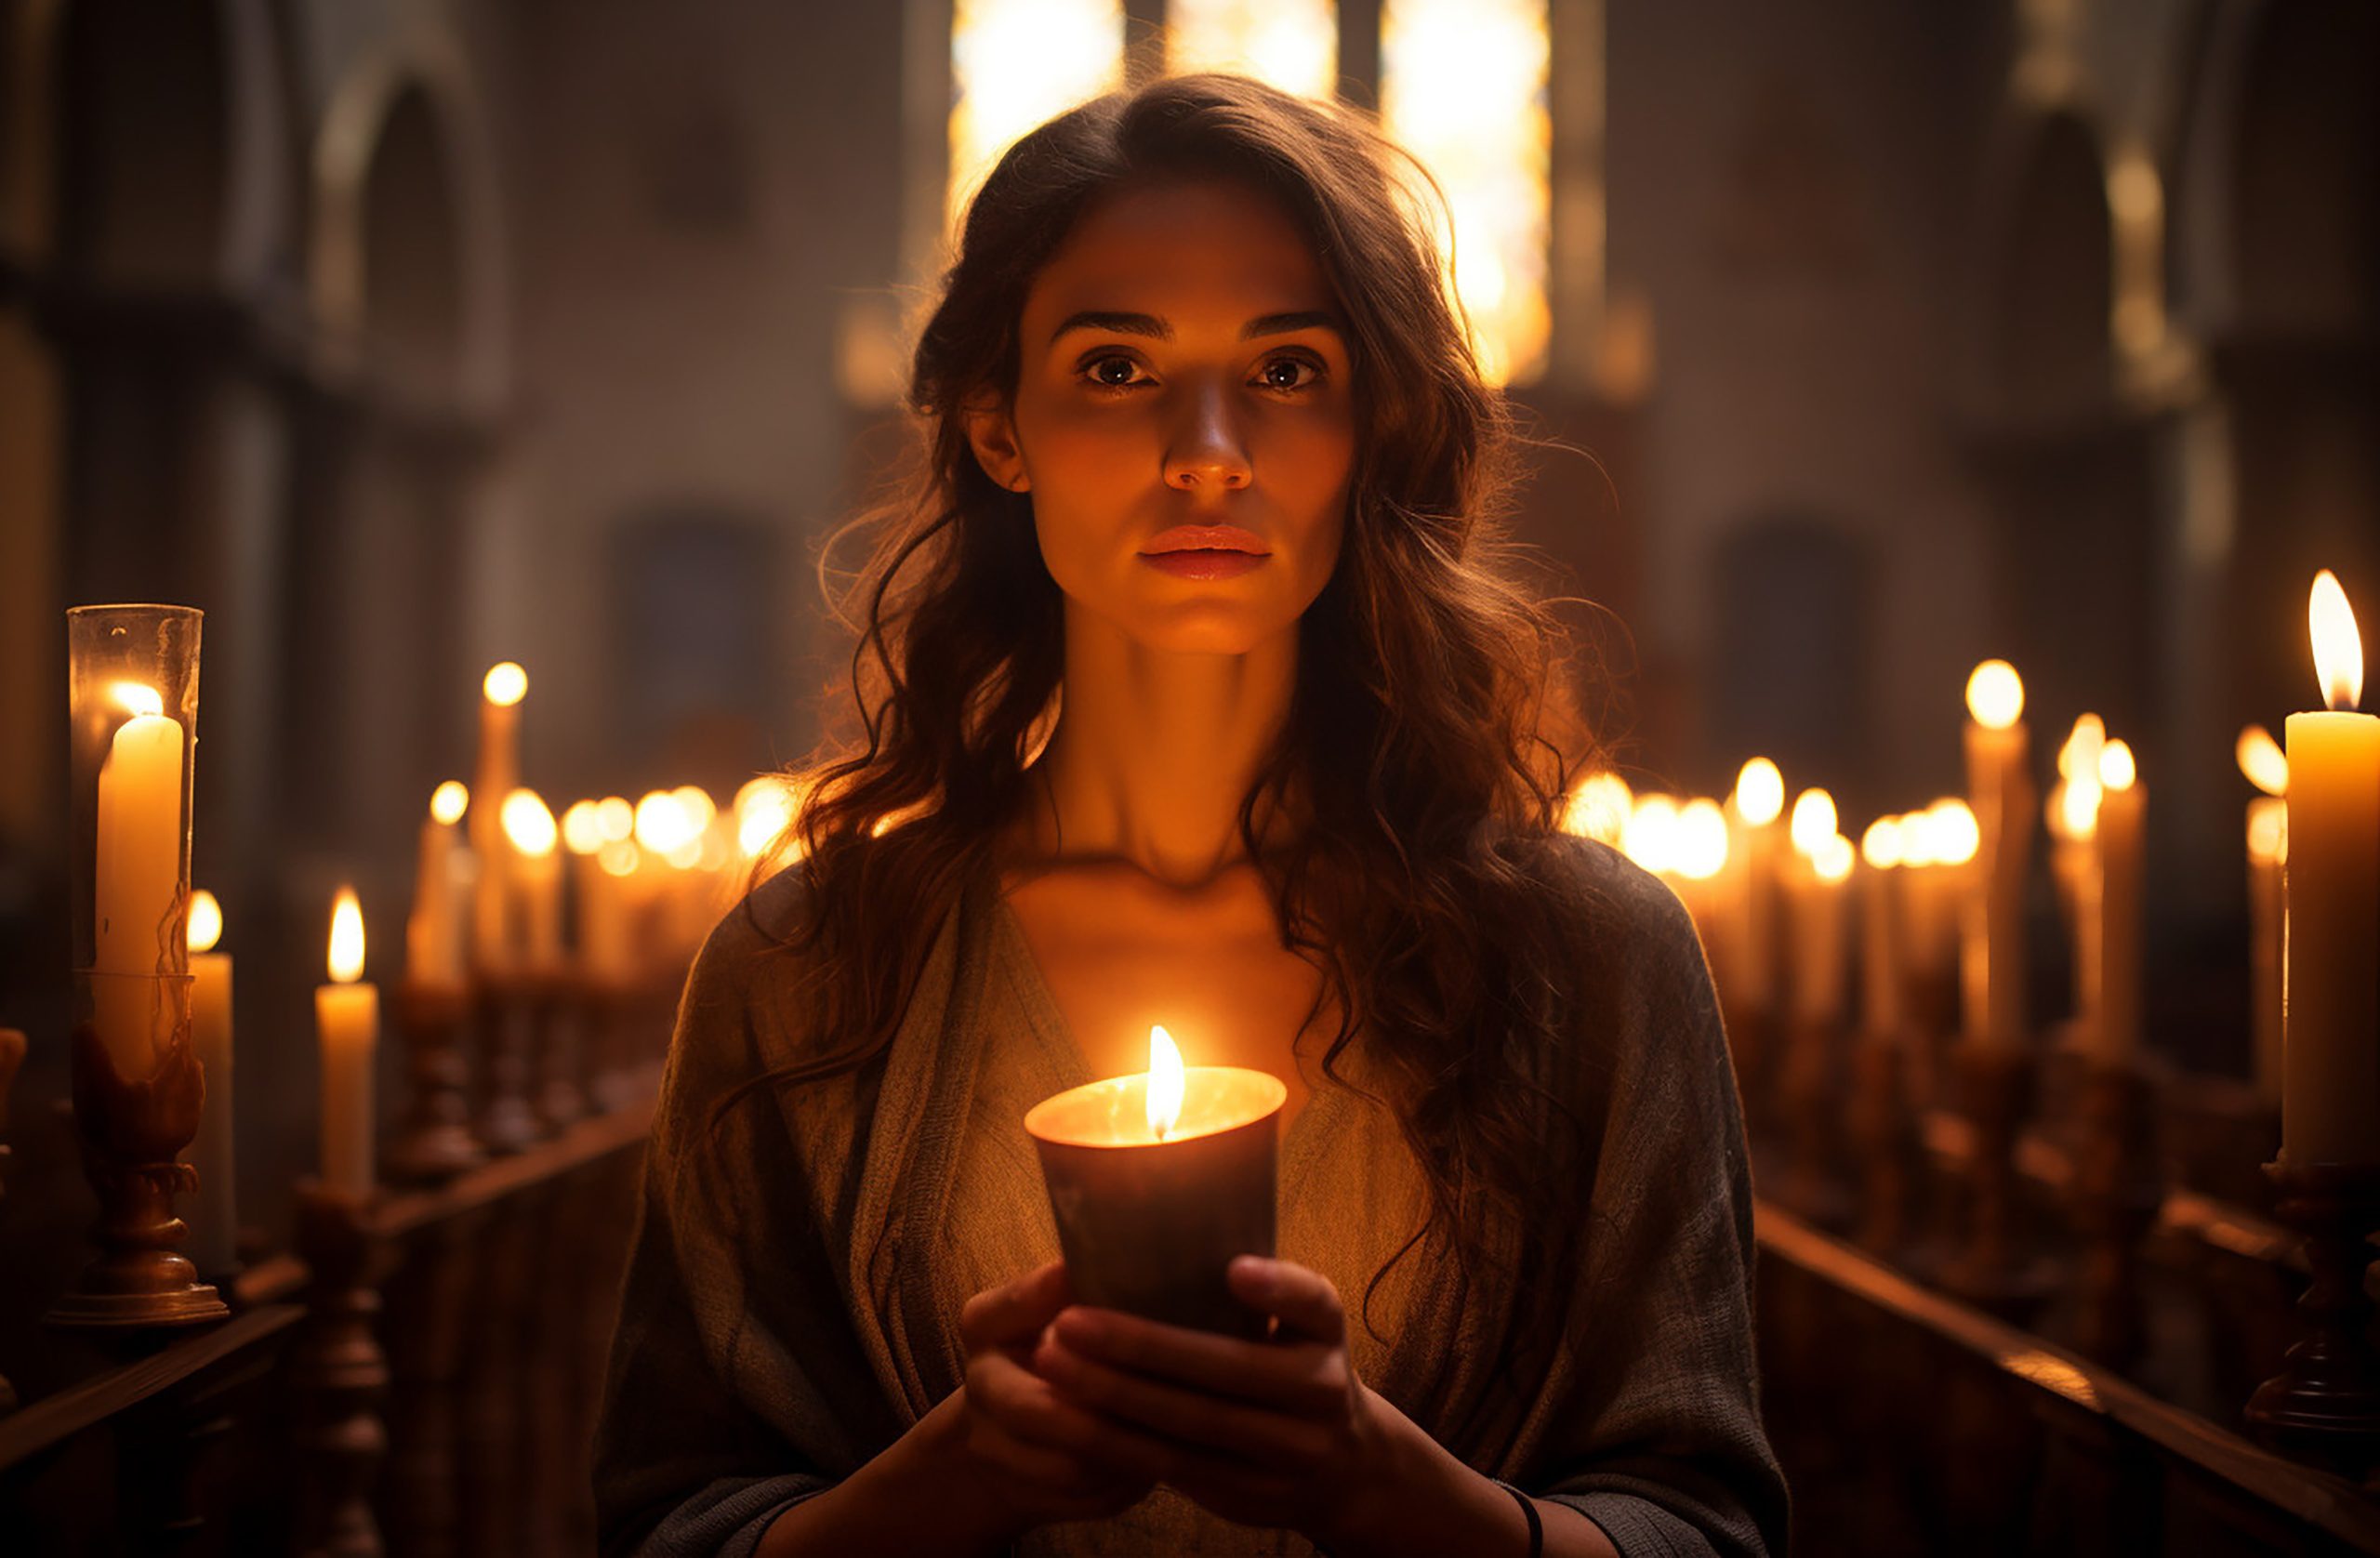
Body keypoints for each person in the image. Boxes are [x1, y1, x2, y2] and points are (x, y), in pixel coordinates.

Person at [593, 72, 1789, 1558]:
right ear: (996, 428)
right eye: (1116, 367)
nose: (1209, 448)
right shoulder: (802, 971)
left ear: (1372, 432)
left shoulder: (1594, 958)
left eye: (1288, 371)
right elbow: (670, 1521)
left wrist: (1393, 1494)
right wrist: (960, 1475)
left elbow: (1706, 1522)